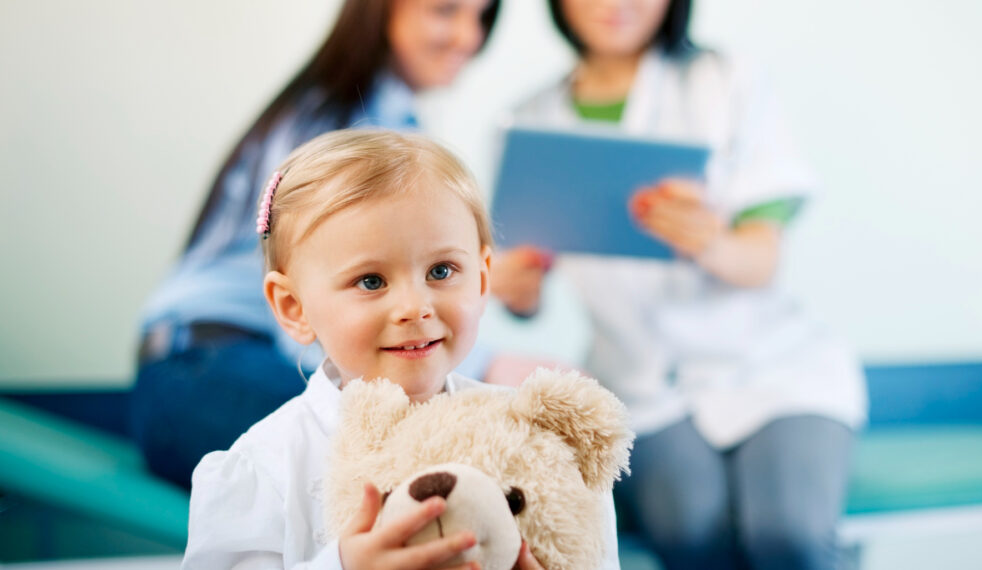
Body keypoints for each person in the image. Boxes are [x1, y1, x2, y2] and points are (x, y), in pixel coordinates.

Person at [495, 1, 868, 568]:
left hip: (777, 370)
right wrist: (515, 287)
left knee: (786, 535)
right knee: (692, 530)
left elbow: (762, 257)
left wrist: (709, 241)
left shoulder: (726, 82)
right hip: (641, 387)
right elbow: (525, 292)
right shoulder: (526, 120)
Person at [182, 129, 620, 569]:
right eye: (370, 281)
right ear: (294, 306)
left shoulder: (531, 442)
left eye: (442, 270)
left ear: (483, 279)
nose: (415, 307)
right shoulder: (266, 469)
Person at [131, 0, 518, 489]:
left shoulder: (389, 122)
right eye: (445, 11)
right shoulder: (338, 132)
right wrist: (486, 365)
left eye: (481, 17)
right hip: (201, 371)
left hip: (222, 365)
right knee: (439, 459)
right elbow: (334, 322)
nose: (469, 37)